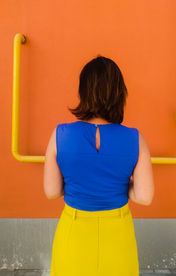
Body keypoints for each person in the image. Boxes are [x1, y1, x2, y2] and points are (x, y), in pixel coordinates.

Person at [43, 55, 154, 275]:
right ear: (119, 93)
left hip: (74, 231)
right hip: (117, 234)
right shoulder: (135, 138)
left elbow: (52, 191)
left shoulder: (60, 135)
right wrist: (120, 186)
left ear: (83, 92)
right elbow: (144, 196)